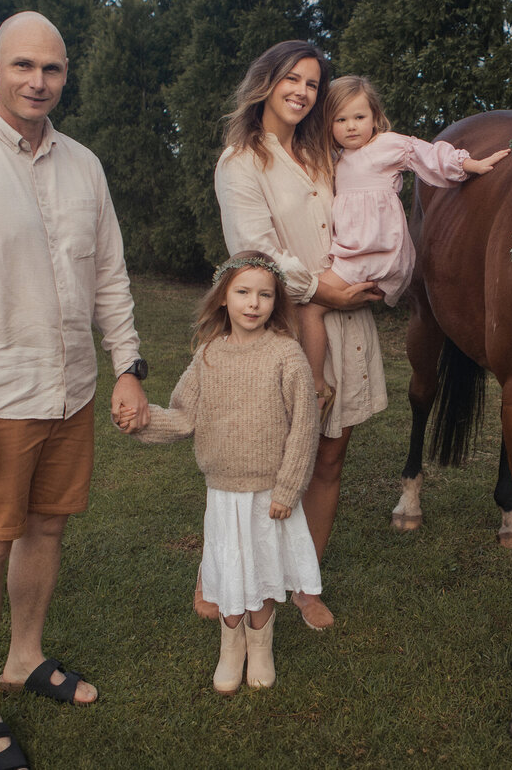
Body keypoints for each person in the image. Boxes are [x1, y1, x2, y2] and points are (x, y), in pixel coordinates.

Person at [0, 11, 150, 770]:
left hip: (71, 392)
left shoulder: (85, 165)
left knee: (47, 530)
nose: (38, 81)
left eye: (52, 69)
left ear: (65, 75)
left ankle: (25, 658)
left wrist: (129, 364)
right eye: (23, 66)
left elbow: (108, 273)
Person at [213, 40, 387, 630]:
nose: (302, 92)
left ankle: (306, 582)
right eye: (292, 79)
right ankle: (228, 578)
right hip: (284, 325)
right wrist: (321, 289)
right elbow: (253, 254)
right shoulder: (241, 162)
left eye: (313, 84)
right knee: (264, 461)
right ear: (266, 82)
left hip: (346, 322)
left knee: (330, 456)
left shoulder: (322, 154)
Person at [115, 252, 320, 693]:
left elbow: (304, 426)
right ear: (223, 298)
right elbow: (184, 417)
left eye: (264, 295)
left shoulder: (287, 355)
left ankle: (260, 645)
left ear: (276, 301)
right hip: (223, 492)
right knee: (228, 570)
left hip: (269, 494)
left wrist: (288, 487)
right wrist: (141, 423)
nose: (253, 303)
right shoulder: (208, 357)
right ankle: (231, 647)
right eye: (243, 292)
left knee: (264, 569)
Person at [297, 75, 510, 400]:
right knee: (313, 303)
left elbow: (428, 154)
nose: (351, 126)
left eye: (359, 117)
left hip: (373, 251)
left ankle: (313, 383)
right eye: (340, 119)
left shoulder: (386, 145)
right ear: (329, 123)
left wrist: (470, 163)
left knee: (310, 307)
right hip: (357, 250)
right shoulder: (337, 159)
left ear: (375, 118)